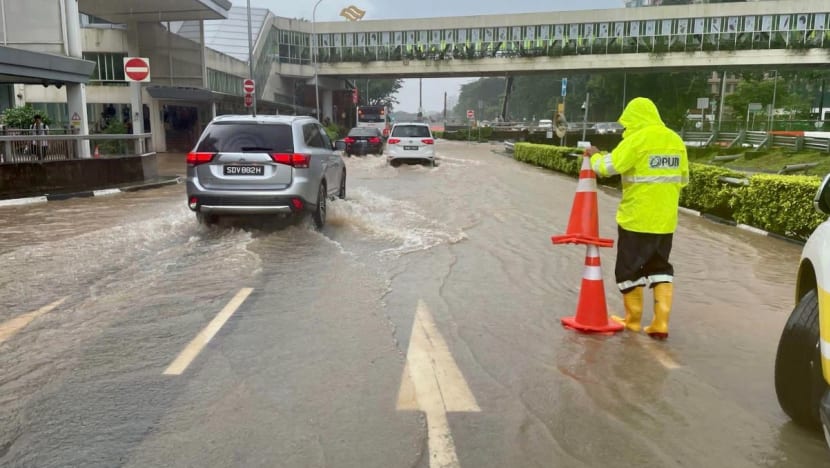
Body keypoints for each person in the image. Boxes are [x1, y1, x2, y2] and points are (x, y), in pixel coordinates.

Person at [586, 97, 688, 340]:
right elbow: (683, 179)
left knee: (628, 269)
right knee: (660, 268)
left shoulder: (637, 140)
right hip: (665, 221)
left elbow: (607, 168)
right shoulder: (675, 140)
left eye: (627, 123)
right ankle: (660, 323)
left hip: (636, 219)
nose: (625, 128)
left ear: (634, 119)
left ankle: (632, 321)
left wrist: (595, 156)